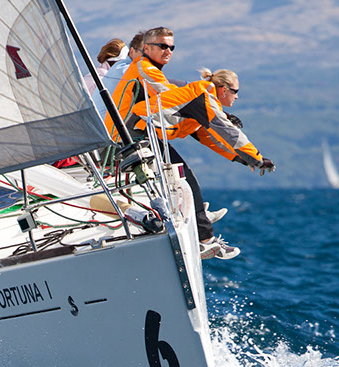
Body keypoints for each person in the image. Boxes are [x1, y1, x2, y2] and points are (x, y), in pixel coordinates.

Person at [106, 27, 263, 259]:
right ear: (147, 48)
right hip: (128, 137)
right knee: (185, 178)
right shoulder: (145, 68)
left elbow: (206, 136)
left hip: (137, 135)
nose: (168, 50)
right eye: (162, 46)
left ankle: (198, 223)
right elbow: (171, 97)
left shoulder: (162, 76)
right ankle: (204, 238)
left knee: (185, 178)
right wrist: (256, 157)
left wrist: (238, 158)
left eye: (171, 47)